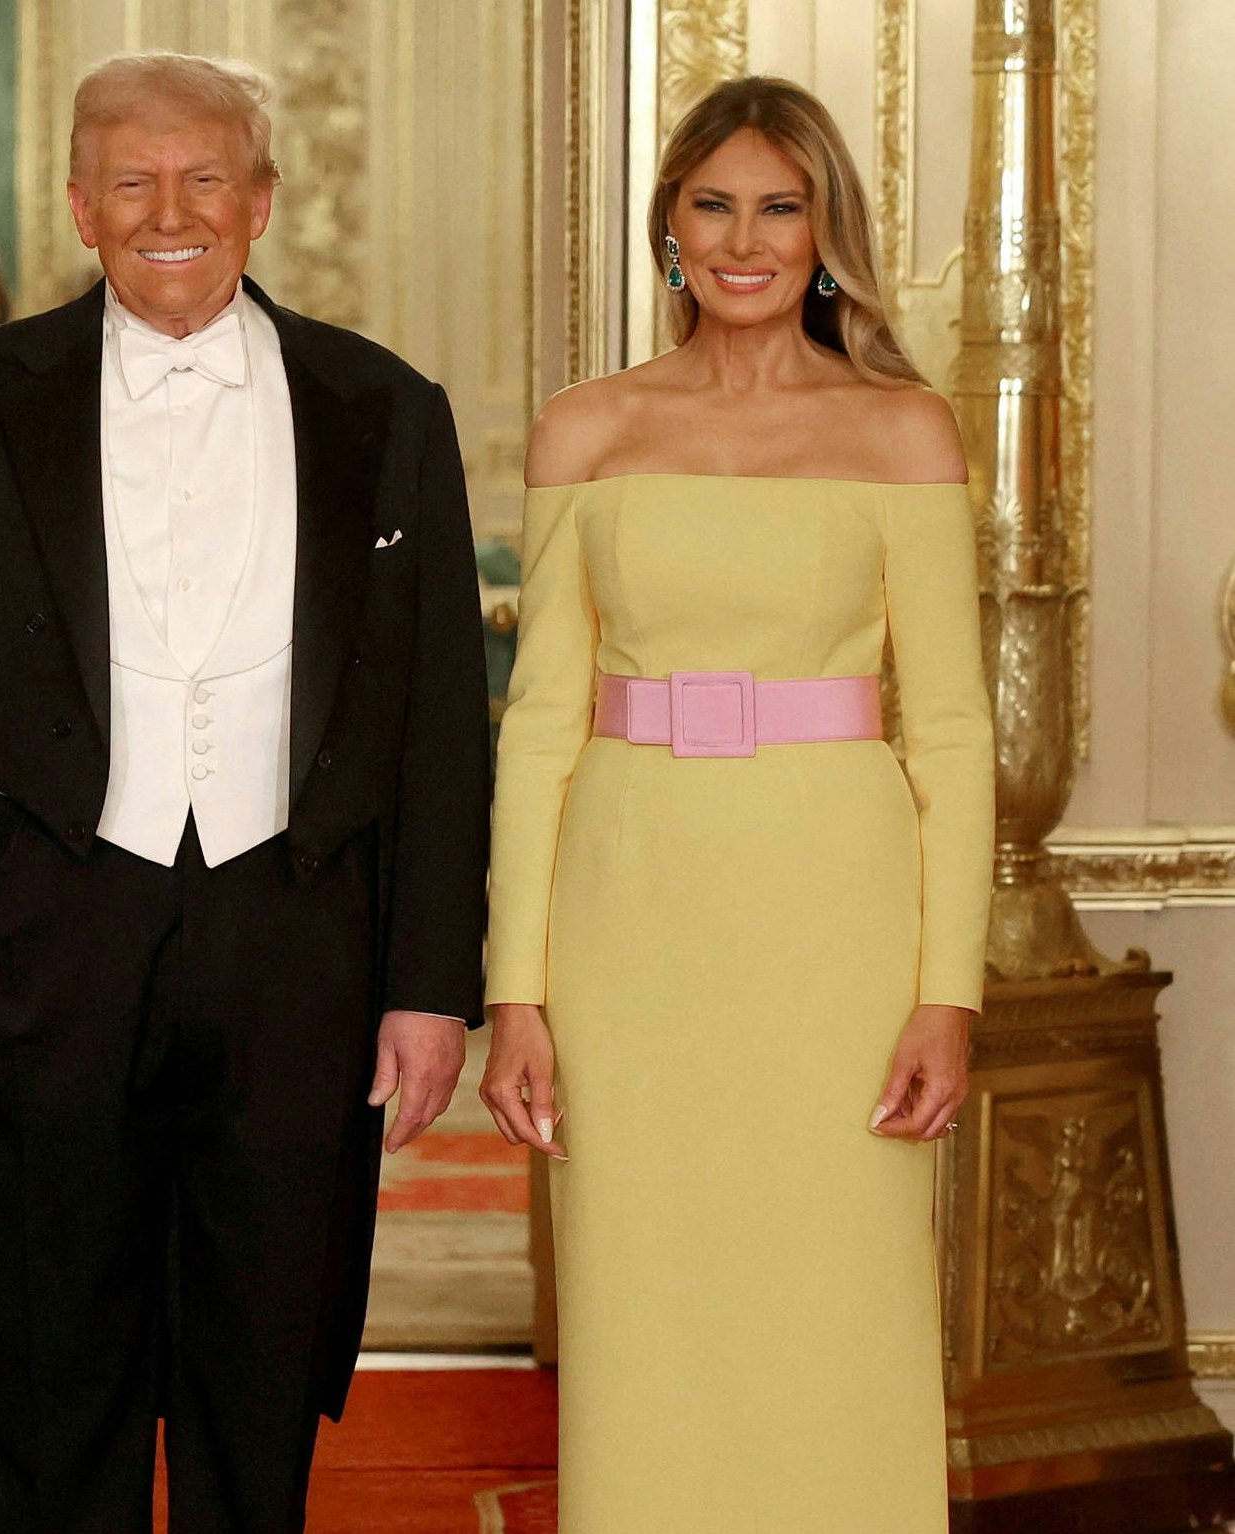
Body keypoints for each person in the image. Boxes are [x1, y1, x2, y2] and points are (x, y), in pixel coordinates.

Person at [0, 54, 492, 1532]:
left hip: (298, 944)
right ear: (77, 205)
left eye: (204, 177)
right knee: (50, 1355)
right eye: (130, 181)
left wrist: (426, 984)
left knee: (261, 1370)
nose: (168, 211)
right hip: (43, 939)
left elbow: (435, 726)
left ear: (260, 201)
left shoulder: (384, 407)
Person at [480, 76, 989, 1533]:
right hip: (628, 913)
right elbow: (536, 731)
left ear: (823, 229)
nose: (744, 238)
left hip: (832, 919)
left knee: (836, 1287)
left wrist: (941, 995)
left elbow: (949, 736)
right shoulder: (584, 428)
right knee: (646, 1297)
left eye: (778, 205)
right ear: (668, 228)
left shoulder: (903, 433)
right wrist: (513, 990)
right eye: (712, 204)